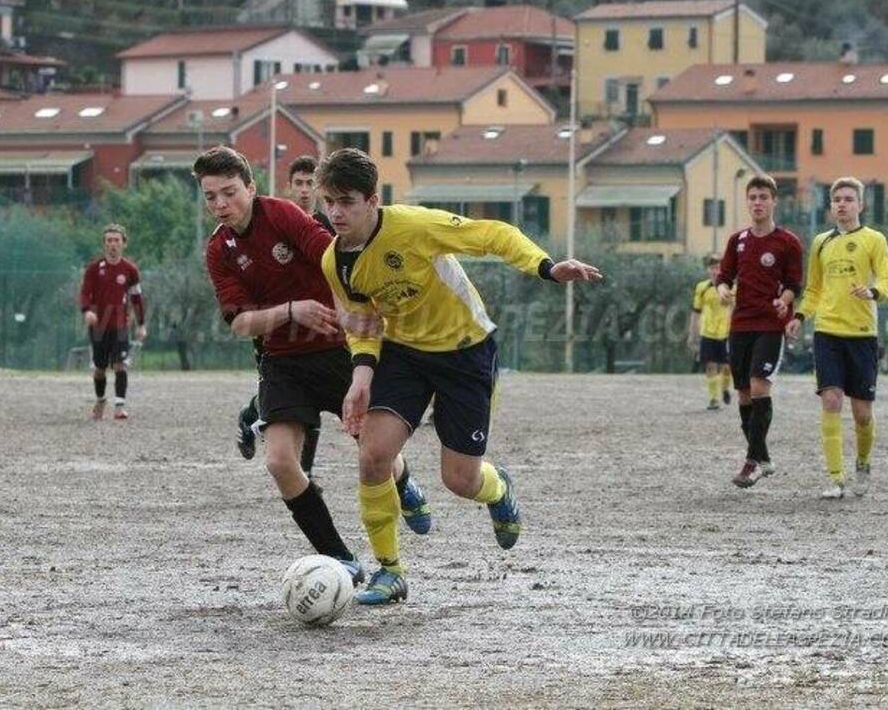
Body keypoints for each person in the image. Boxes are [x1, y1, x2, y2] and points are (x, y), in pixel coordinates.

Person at [318, 147, 602, 605]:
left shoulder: (413, 226)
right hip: (405, 354)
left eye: (346, 201)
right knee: (372, 456)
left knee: (460, 481)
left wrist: (546, 267)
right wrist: (361, 374)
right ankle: (390, 572)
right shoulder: (336, 261)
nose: (335, 212)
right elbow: (362, 323)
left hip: (466, 351)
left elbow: (491, 234)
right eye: (328, 201)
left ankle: (498, 487)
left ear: (372, 200)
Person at [197, 146, 431, 583]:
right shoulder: (219, 249)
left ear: (251, 187)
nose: (220, 205)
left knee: (372, 447)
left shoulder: (283, 215)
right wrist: (291, 310)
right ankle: (340, 557)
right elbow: (242, 323)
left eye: (228, 192)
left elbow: (335, 258)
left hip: (336, 349)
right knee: (280, 462)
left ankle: (404, 481)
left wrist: (355, 310)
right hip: (282, 362)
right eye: (211, 197)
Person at [785, 177, 888, 498]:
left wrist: (873, 291)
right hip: (827, 332)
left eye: (849, 199)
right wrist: (800, 316)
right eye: (837, 200)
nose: (842, 204)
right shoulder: (821, 242)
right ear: (831, 206)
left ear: (860, 205)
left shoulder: (874, 239)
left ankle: (863, 461)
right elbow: (815, 288)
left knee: (862, 413)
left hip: (862, 335)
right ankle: (835, 479)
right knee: (831, 399)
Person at [236, 156, 333, 477]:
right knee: (283, 393)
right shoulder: (272, 222)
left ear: (319, 188)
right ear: (289, 186)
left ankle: (303, 473)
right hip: (276, 328)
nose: (305, 190)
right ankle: (253, 417)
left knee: (308, 397)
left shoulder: (329, 225)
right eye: (299, 183)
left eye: (310, 184)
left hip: (320, 325)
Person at [716, 175, 803, 489]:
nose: (757, 202)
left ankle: (751, 462)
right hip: (740, 324)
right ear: (747, 201)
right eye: (752, 197)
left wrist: (785, 301)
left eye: (763, 197)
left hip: (770, 325)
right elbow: (723, 276)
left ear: (774, 201)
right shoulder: (737, 240)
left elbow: (795, 284)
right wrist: (723, 289)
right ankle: (763, 457)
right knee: (743, 392)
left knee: (758, 386)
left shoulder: (788, 242)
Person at [78, 223, 147, 420]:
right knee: (99, 370)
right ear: (104, 244)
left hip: (120, 326)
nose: (113, 244)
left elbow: (136, 298)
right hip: (98, 327)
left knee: (120, 365)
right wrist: (86, 311)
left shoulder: (130, 270)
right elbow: (84, 293)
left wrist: (141, 324)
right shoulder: (93, 269)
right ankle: (100, 400)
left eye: (116, 240)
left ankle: (119, 406)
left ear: (124, 243)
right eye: (109, 240)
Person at [688, 253, 732, 410]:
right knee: (710, 365)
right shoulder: (702, 287)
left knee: (727, 367)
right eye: (712, 268)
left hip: (726, 332)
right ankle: (714, 399)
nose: (715, 271)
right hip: (707, 332)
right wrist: (692, 335)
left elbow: (735, 307)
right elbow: (696, 312)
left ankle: (725, 388)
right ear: (708, 270)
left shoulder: (731, 287)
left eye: (718, 268)